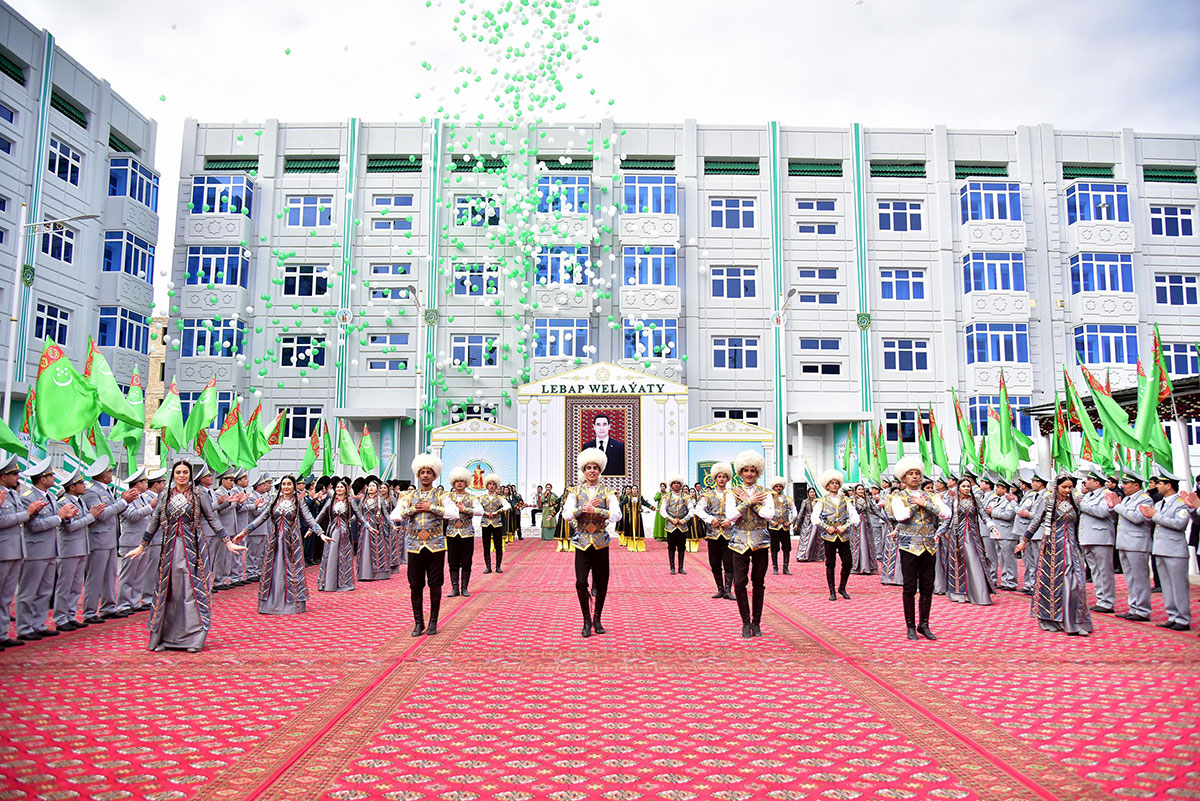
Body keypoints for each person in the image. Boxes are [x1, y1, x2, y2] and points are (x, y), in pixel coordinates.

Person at [125, 460, 245, 652]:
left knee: (192, 589)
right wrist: (142, 545)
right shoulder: (166, 495)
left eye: (185, 472)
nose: (181, 475)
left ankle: (193, 638)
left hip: (194, 549)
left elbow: (212, 518)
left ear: (190, 475)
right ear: (174, 475)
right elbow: (155, 521)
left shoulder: (198, 495)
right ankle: (165, 637)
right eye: (178, 472)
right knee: (170, 590)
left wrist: (227, 541)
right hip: (170, 548)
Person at [390, 454, 459, 637]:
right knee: (415, 585)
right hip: (414, 546)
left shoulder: (442, 495)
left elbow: (453, 513)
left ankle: (433, 622)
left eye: (429, 472)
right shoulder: (408, 495)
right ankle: (418, 623)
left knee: (435, 584)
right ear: (418, 475)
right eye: (422, 472)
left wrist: (432, 508)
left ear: (435, 475)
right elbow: (395, 515)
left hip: (435, 546)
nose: (426, 475)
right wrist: (412, 510)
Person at [1017, 473, 1093, 636]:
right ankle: (1050, 618)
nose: (1067, 490)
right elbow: (1036, 521)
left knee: (1076, 583)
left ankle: (1075, 620)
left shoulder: (1075, 501)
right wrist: (1024, 540)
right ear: (1056, 486)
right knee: (1052, 584)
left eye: (1070, 487)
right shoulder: (1048, 501)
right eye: (1064, 487)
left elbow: (1079, 523)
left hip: (1072, 546)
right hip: (1053, 548)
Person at [16, 457, 79, 641]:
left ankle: (38, 623)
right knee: (29, 591)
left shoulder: (51, 497)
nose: (53, 478)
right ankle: (24, 627)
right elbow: (33, 525)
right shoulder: (28, 498)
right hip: (35, 551)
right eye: (51, 475)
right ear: (42, 479)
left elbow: (58, 521)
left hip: (51, 549)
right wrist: (59, 518)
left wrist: (66, 517)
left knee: (44, 591)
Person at [889, 455, 951, 641]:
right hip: (909, 546)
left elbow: (946, 513)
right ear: (903, 478)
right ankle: (910, 626)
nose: (915, 477)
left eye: (917, 473)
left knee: (927, 586)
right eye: (910, 474)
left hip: (929, 546)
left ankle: (924, 624)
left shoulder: (932, 496)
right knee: (909, 587)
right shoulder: (898, 497)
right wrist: (916, 506)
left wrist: (927, 504)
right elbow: (901, 516)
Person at [238, 476, 321, 615]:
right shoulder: (275, 500)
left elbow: (309, 519)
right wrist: (245, 531)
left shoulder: (299, 501)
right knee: (274, 568)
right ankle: (272, 602)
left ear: (294, 486)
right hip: (275, 540)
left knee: (291, 569)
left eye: (289, 484)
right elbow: (262, 517)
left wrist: (320, 532)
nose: (286, 487)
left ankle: (292, 604)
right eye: (284, 484)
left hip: (292, 541)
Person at [562, 448, 621, 637]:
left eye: (595, 467)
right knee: (580, 582)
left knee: (602, 583)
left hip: (601, 543)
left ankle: (597, 618)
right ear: (584, 470)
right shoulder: (575, 492)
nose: (592, 471)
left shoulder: (608, 492)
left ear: (600, 470)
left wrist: (599, 511)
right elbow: (566, 514)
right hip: (582, 543)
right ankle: (586, 620)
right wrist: (582, 509)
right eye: (588, 467)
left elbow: (617, 515)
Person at [81, 456, 140, 621]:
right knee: (95, 577)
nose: (111, 474)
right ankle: (90, 612)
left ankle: (108, 607)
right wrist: (123, 502)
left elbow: (115, 510)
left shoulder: (106, 489)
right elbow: (101, 514)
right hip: (98, 540)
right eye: (109, 471)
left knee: (109, 575)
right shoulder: (90, 491)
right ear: (101, 475)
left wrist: (124, 502)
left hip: (110, 540)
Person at [727, 451, 774, 638]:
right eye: (745, 470)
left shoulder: (766, 493)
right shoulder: (733, 493)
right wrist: (748, 501)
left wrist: (752, 503)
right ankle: (745, 622)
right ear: (740, 472)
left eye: (752, 471)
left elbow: (769, 515)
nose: (748, 474)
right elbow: (730, 516)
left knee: (759, 583)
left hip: (760, 541)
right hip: (738, 542)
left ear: (758, 473)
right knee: (739, 583)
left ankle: (757, 622)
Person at [53, 468, 101, 632]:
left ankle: (70, 615)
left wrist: (90, 517)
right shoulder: (63, 502)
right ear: (72, 487)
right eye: (80, 483)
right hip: (68, 549)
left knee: (75, 585)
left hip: (81, 547)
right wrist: (90, 517)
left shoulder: (79, 501)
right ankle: (60, 617)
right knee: (65, 585)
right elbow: (70, 527)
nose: (84, 486)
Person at [1143, 468, 1191, 631]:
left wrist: (1155, 516)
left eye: (1160, 483)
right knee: (1167, 585)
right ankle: (1172, 615)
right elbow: (1156, 524)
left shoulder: (1181, 503)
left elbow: (1179, 524)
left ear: (1169, 485)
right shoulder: (1158, 503)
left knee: (1178, 585)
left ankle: (1183, 618)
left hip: (1175, 549)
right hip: (1161, 547)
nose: (1157, 486)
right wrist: (1149, 517)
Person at [1076, 465, 1118, 615]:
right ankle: (1101, 599)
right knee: (1095, 571)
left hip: (1101, 538)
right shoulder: (1088, 496)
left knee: (1104, 571)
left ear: (1097, 482)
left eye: (1089, 479)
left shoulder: (1107, 494)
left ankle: (1108, 601)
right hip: (1087, 537)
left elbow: (1102, 512)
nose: (1086, 482)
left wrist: (1081, 504)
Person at [1113, 469, 1154, 622]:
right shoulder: (1127, 499)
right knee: (1130, 578)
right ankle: (1134, 607)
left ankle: (1143, 609)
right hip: (1125, 542)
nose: (1123, 486)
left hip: (1137, 543)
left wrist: (1118, 507)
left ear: (1136, 485)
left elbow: (1137, 518)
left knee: (1140, 577)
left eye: (1126, 483)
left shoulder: (1145, 499)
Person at [812, 470, 858, 601]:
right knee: (830, 563)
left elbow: (854, 516)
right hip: (829, 536)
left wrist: (846, 525)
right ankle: (831, 590)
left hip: (844, 535)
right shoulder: (822, 501)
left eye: (836, 483)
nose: (834, 485)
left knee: (848, 562)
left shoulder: (846, 500)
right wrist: (827, 527)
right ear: (827, 486)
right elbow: (814, 518)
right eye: (832, 483)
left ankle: (842, 587)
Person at [116, 468, 156, 614]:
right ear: (137, 484)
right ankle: (123, 604)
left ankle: (134, 601)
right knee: (128, 574)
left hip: (143, 540)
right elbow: (132, 515)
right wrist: (150, 507)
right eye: (144, 481)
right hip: (131, 540)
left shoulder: (143, 497)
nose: (146, 484)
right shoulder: (126, 498)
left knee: (139, 573)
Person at [694, 462, 736, 600]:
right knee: (714, 562)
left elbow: (739, 510)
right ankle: (720, 588)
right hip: (713, 534)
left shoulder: (733, 494)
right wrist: (710, 519)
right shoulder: (708, 495)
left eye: (724, 476)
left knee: (729, 562)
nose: (722, 479)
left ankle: (728, 590)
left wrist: (730, 520)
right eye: (719, 477)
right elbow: (698, 510)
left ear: (728, 478)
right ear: (715, 479)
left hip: (729, 533)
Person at [316, 478, 366, 593]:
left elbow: (359, 515)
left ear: (346, 489)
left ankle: (342, 582)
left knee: (343, 555)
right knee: (330, 554)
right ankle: (327, 582)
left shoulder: (350, 501)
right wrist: (312, 528)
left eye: (341, 487)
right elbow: (321, 515)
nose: (339, 489)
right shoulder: (330, 501)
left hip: (344, 533)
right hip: (333, 530)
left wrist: (367, 526)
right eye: (337, 487)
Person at [0, 454, 28, 649]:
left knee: (6, 596)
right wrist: (27, 513)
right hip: (3, 550)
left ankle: (2, 634)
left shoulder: (11, 494)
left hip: (15, 549)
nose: (18, 477)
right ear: (4, 476)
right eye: (14, 474)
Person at [444, 467, 482, 598]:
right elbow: (443, 512)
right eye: (457, 481)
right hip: (452, 532)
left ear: (466, 482)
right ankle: (454, 587)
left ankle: (464, 587)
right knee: (452, 560)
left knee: (466, 560)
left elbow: (480, 511)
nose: (459, 483)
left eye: (462, 481)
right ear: (453, 483)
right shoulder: (447, 497)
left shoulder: (472, 497)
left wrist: (464, 509)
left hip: (467, 533)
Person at [137, 470, 167, 607]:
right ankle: (146, 597)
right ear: (156, 484)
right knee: (149, 570)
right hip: (152, 538)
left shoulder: (161, 497)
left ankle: (153, 595)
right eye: (163, 482)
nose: (165, 484)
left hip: (160, 538)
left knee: (157, 569)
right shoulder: (147, 498)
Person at [1017, 470, 1049, 594]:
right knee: (1030, 561)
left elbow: (1039, 515)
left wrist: (1028, 514)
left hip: (1040, 532)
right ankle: (1032, 584)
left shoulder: (1046, 496)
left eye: (1034, 481)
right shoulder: (1035, 495)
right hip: (1031, 532)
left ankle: (1039, 585)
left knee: (1038, 561)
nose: (1032, 484)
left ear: (1040, 483)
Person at [988, 478, 1021, 591]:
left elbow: (1009, 515)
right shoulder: (999, 500)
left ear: (1004, 489)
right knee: (1002, 558)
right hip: (999, 533)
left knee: (1009, 559)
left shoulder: (1010, 500)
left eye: (999, 487)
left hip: (1007, 533)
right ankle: (1005, 580)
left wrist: (992, 512)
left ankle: (1011, 582)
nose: (996, 489)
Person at [357, 479, 392, 582]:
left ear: (377, 489)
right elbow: (358, 513)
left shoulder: (380, 500)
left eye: (373, 486)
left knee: (378, 548)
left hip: (377, 526)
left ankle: (379, 573)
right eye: (370, 486)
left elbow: (385, 514)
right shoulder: (363, 499)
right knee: (364, 547)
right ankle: (364, 572)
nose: (371, 487)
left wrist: (392, 524)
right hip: (365, 526)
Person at [659, 475, 692, 575]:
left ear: (681, 485)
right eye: (674, 483)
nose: (676, 485)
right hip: (671, 526)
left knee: (682, 547)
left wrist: (684, 520)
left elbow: (691, 510)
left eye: (678, 483)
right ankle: (672, 567)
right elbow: (662, 511)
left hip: (682, 526)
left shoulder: (686, 497)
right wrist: (671, 519)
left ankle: (681, 567)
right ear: (671, 485)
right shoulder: (666, 497)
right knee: (671, 547)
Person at [244, 472, 273, 582]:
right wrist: (262, 508)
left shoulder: (264, 497)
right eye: (264, 484)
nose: (266, 487)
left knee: (260, 553)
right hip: (255, 529)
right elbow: (256, 513)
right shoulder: (252, 497)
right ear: (259, 486)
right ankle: (250, 572)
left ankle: (258, 571)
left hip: (263, 529)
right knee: (252, 553)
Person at [479, 475, 510, 574]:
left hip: (497, 523)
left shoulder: (500, 498)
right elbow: (477, 508)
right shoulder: (482, 498)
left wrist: (498, 512)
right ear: (487, 486)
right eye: (490, 484)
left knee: (498, 545)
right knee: (486, 545)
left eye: (493, 484)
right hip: (485, 523)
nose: (491, 486)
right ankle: (488, 567)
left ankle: (498, 566)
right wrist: (485, 513)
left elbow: (508, 506)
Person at [767, 477, 795, 575]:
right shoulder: (769, 499)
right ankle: (775, 568)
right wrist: (770, 521)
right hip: (773, 527)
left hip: (785, 527)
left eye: (780, 486)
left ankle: (785, 567)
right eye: (776, 486)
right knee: (774, 548)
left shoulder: (788, 499)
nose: (778, 488)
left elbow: (794, 511)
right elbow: (764, 512)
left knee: (787, 548)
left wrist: (791, 521)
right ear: (773, 488)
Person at [850, 485, 877, 575]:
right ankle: (856, 567)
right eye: (859, 489)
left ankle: (867, 567)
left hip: (866, 524)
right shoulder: (851, 500)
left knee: (867, 544)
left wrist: (885, 519)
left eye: (862, 489)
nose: (861, 491)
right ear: (855, 490)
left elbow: (875, 510)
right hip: (855, 526)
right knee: (856, 545)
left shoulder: (867, 499)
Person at [795, 488, 824, 563]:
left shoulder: (818, 501)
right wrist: (796, 524)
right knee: (805, 539)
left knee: (817, 539)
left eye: (813, 492)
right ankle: (802, 555)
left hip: (817, 522)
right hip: (808, 522)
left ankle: (816, 556)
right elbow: (801, 513)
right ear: (808, 493)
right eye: (811, 492)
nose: (812, 494)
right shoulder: (805, 501)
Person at [625, 485, 652, 553]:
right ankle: (631, 546)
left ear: (637, 490)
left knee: (638, 530)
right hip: (630, 517)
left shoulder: (640, 498)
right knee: (631, 530)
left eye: (635, 489)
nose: (634, 491)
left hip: (638, 516)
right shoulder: (628, 497)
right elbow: (621, 504)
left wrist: (652, 507)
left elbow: (645, 503)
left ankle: (640, 546)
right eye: (633, 489)